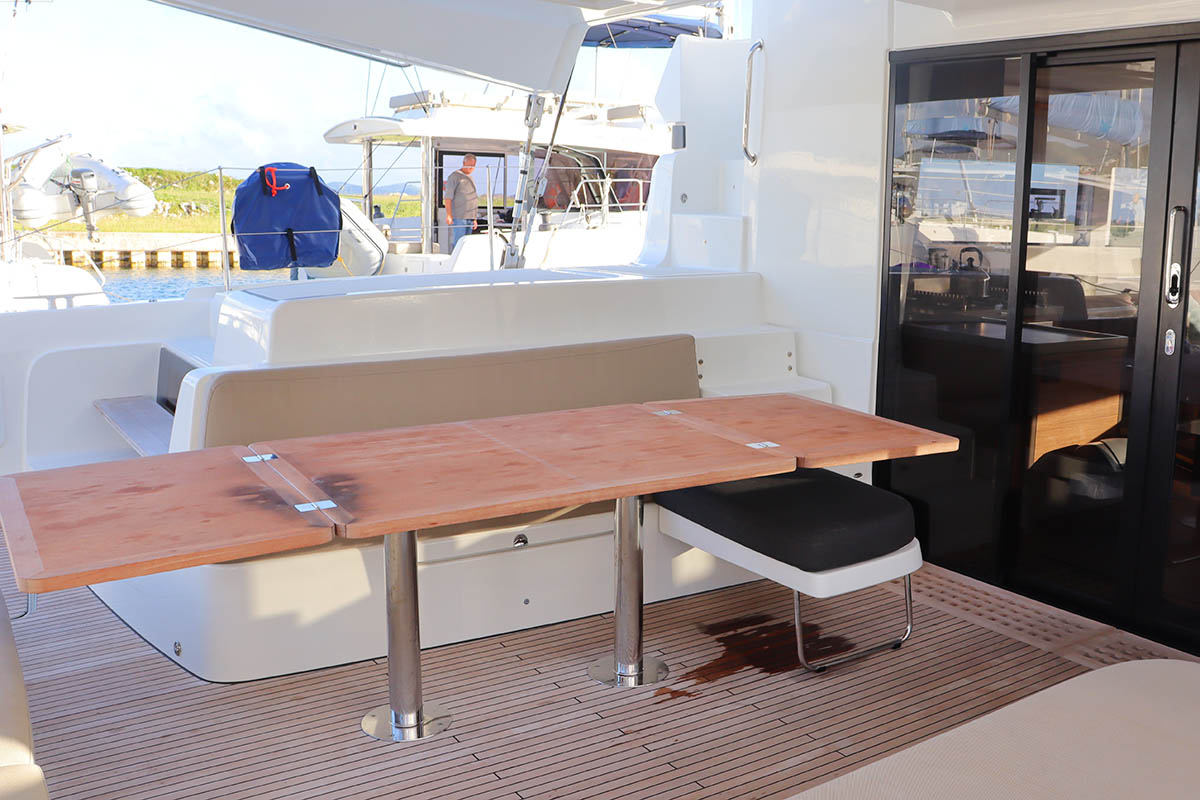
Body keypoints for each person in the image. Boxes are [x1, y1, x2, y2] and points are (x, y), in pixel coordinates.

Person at [444, 154, 478, 251]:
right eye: (469, 165)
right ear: (463, 163)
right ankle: (455, 259)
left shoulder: (471, 178)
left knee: (467, 244)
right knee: (459, 242)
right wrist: (449, 215)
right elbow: (448, 197)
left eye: (473, 166)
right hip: (459, 217)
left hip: (470, 217)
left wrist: (474, 218)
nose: (471, 168)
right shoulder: (454, 176)